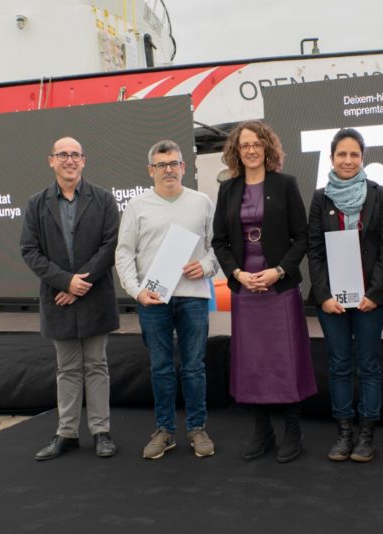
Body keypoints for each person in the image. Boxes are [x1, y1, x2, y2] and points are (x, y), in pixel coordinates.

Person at [212, 121, 317, 463]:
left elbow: (301, 237)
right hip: (245, 290)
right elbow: (220, 242)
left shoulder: (285, 185)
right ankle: (262, 432)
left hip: (279, 288)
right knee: (253, 363)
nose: (252, 150)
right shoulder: (228, 190)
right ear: (236, 151)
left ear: (267, 147)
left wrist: (279, 270)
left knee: (284, 361)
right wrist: (238, 274)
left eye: (257, 143)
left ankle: (292, 432)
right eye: (245, 145)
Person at [115, 140, 217, 460]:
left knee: (194, 368)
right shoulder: (137, 206)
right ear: (151, 171)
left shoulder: (202, 202)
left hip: (194, 297)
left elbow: (220, 248)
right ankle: (165, 431)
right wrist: (137, 290)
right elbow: (124, 253)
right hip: (154, 299)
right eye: (161, 165)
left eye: (174, 163)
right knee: (160, 368)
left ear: (183, 168)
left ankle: (198, 428)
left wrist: (207, 265)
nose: (168, 170)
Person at [20, 137, 120, 461]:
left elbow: (110, 247)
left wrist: (80, 283)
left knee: (97, 365)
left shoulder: (104, 200)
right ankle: (67, 434)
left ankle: (101, 432)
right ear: (51, 160)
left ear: (84, 161)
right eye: (62, 154)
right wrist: (65, 282)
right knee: (67, 369)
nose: (69, 160)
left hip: (93, 297)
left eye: (75, 154)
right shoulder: (36, 204)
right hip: (58, 298)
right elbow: (29, 251)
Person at [307, 128, 383, 463]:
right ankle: (344, 433)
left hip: (370, 300)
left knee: (369, 365)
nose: (347, 160)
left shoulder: (379, 193)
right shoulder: (320, 198)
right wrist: (324, 294)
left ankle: (367, 435)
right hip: (332, 301)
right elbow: (314, 251)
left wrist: (374, 292)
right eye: (341, 154)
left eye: (354, 154)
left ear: (363, 158)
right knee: (340, 365)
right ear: (332, 158)